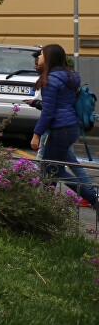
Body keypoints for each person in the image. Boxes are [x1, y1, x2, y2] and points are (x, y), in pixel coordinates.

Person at [31, 43, 97, 208]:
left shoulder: (51, 80)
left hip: (60, 129)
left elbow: (49, 112)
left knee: (54, 170)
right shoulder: (68, 76)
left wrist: (37, 134)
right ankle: (44, 207)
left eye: (42, 54)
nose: (38, 56)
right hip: (70, 127)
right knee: (50, 168)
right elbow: (60, 104)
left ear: (50, 58)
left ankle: (93, 198)